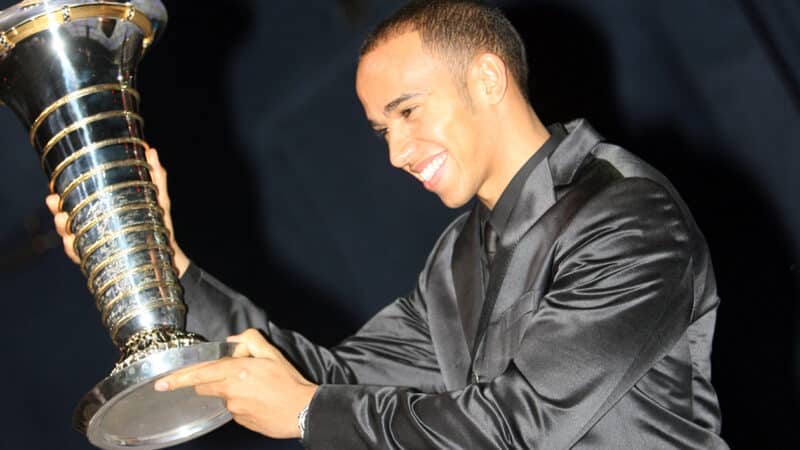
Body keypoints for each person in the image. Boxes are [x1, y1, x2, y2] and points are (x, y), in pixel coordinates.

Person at [48, 1, 728, 448]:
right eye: (381, 131)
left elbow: (520, 427)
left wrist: (310, 414)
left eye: (408, 113)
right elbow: (335, 377)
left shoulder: (630, 217)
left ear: (488, 80)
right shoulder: (460, 257)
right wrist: (158, 264)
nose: (397, 154)